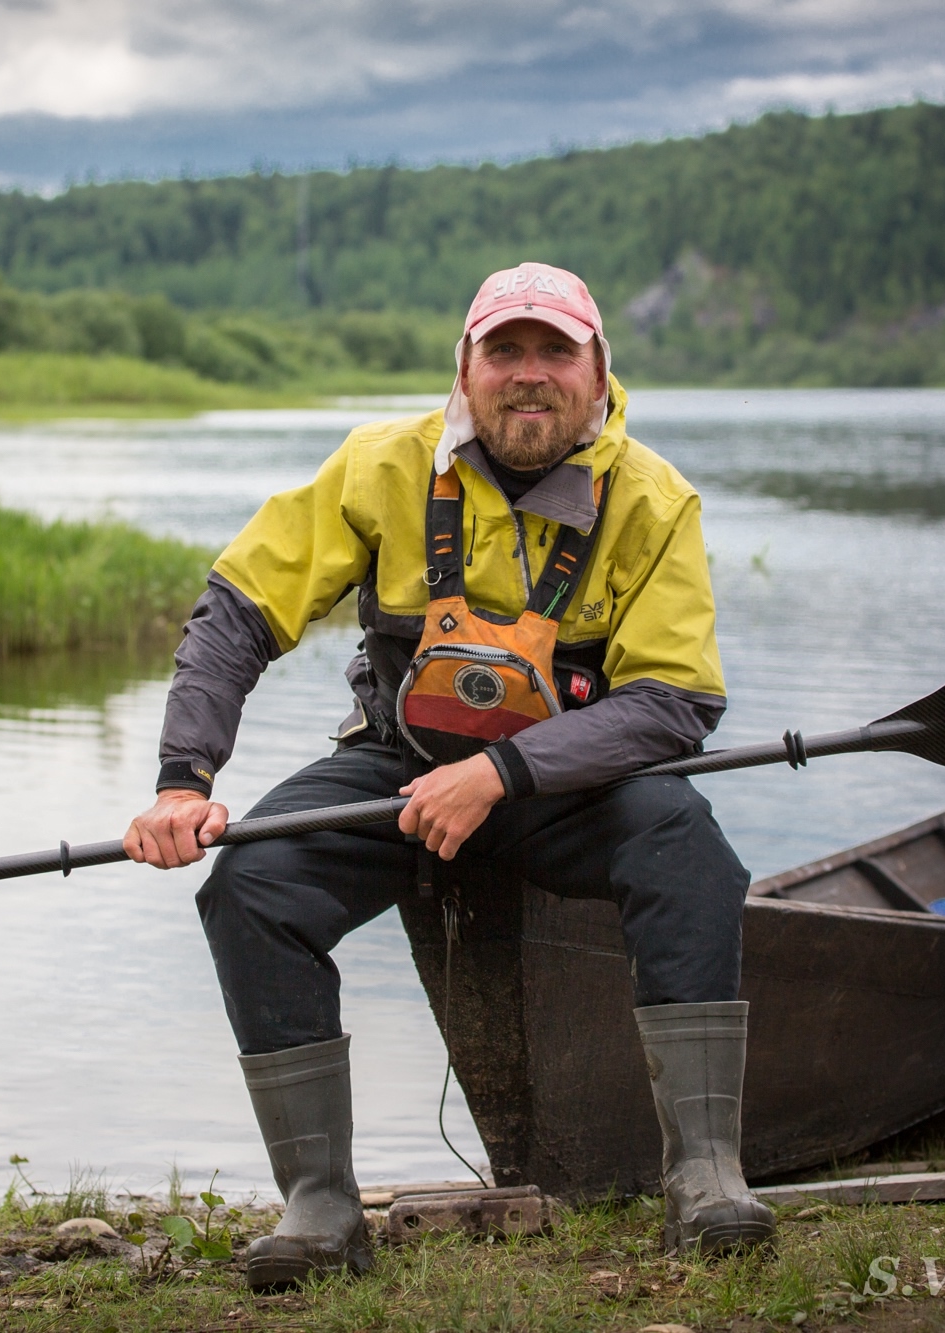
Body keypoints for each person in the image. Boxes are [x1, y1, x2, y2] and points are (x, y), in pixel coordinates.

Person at [124, 261, 771, 1289]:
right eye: (502, 351)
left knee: (685, 847)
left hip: (569, 785)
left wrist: (505, 771)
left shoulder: (651, 498)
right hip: (396, 768)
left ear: (598, 372)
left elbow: (672, 704)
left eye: (554, 351)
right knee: (250, 887)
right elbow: (236, 611)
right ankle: (322, 1205)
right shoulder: (380, 463)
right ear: (461, 370)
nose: (528, 375)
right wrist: (181, 777)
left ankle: (703, 1174)